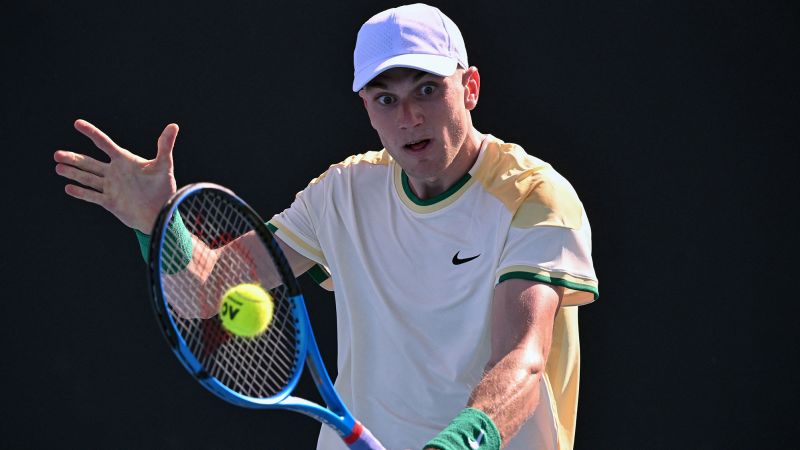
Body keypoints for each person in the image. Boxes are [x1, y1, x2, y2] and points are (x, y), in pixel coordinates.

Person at [53, 3, 598, 450]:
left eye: (427, 90)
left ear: (470, 87)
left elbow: (521, 360)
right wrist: (157, 221)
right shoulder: (342, 194)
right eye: (386, 99)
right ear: (366, 108)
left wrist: (455, 445)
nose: (408, 117)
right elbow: (204, 293)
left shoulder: (534, 196)